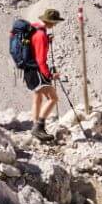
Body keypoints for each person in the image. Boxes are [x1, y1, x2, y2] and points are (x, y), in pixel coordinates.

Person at [26, 9, 64, 140]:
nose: (55, 25)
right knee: (53, 98)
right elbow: (41, 59)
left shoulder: (35, 31)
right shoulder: (41, 35)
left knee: (37, 97)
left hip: (29, 70)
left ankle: (34, 127)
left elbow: (34, 48)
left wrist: (47, 41)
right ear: (50, 22)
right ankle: (38, 128)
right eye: (54, 23)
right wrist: (49, 75)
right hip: (38, 71)